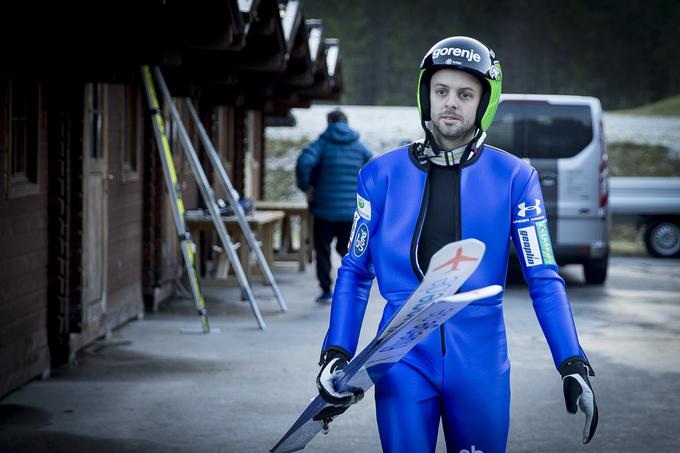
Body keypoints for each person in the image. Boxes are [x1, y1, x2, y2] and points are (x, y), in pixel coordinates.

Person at [315, 36, 598, 452]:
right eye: (441, 91)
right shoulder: (379, 176)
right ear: (425, 95)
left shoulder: (516, 178)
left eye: (465, 94)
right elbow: (356, 273)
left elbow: (543, 277)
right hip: (400, 358)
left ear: (484, 103)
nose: (451, 102)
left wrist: (571, 362)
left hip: (481, 362)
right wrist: (336, 352)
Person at [296, 109, 373, 303]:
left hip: (323, 209)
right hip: (350, 211)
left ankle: (326, 291)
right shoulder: (359, 146)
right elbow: (375, 166)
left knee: (322, 250)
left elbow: (304, 162)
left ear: (329, 122)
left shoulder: (322, 144)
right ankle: (352, 286)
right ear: (347, 122)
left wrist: (307, 187)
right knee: (347, 249)